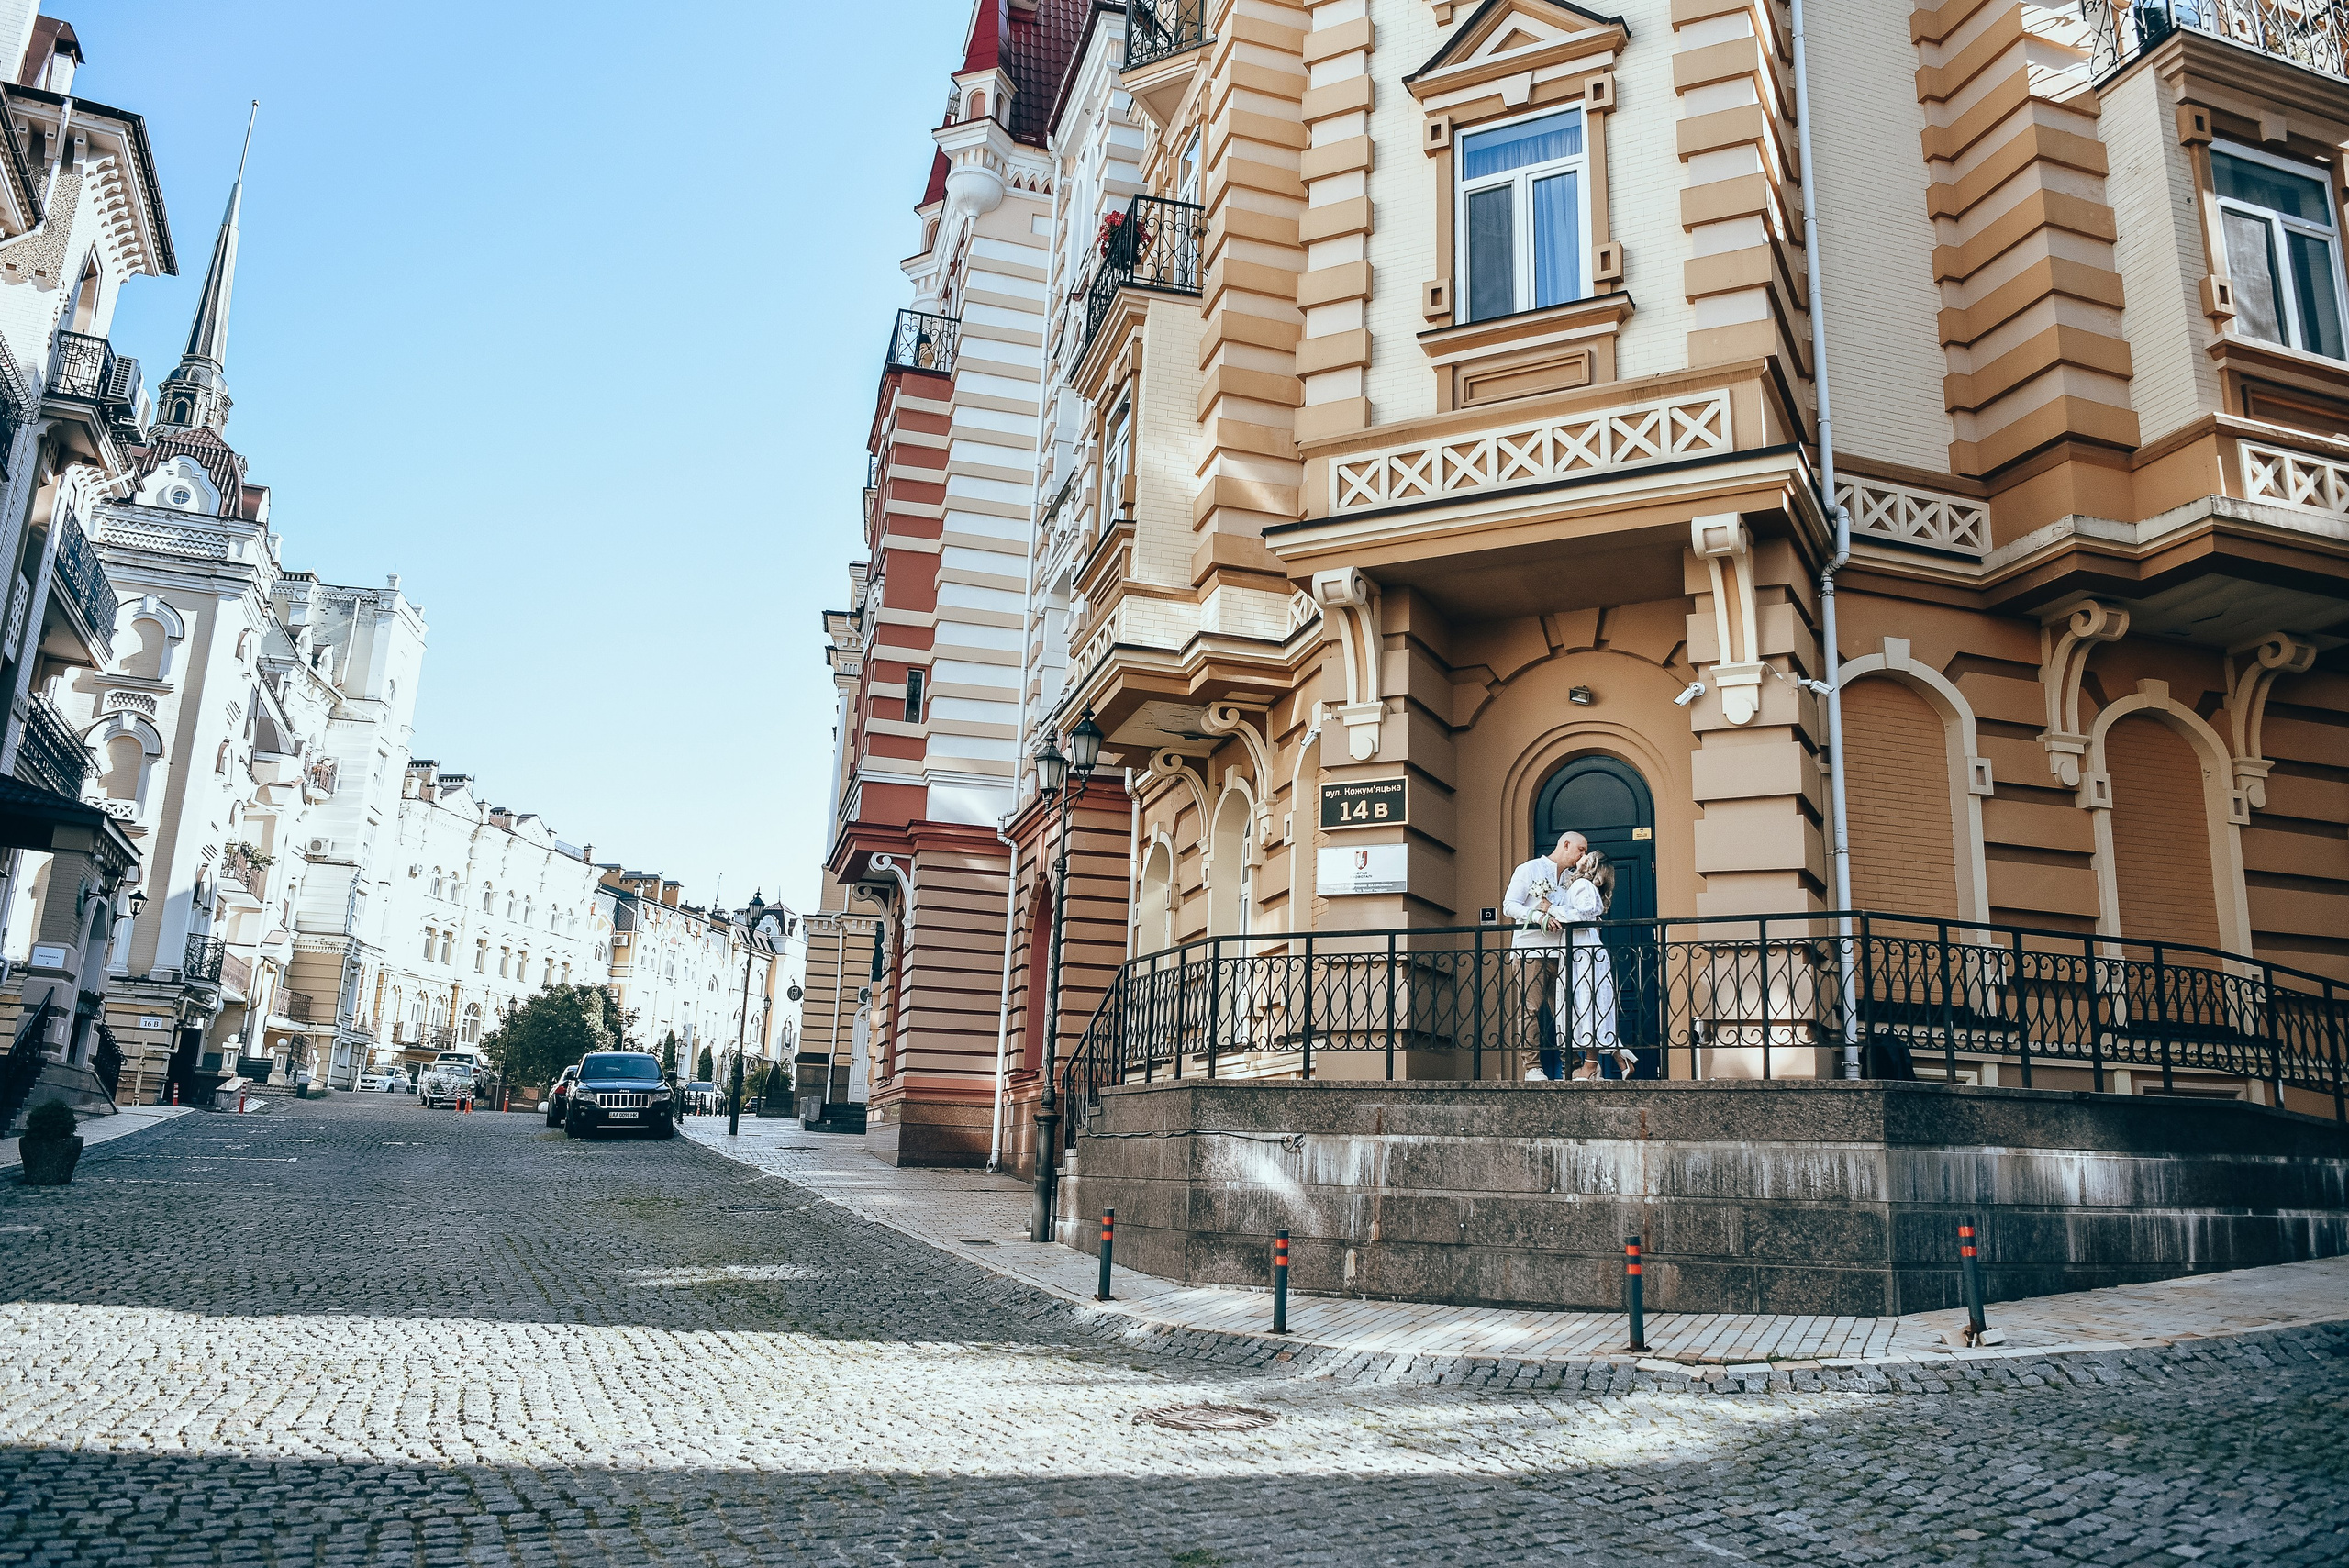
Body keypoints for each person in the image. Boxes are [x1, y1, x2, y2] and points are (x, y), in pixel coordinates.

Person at [1502, 831, 1588, 1080]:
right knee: (1530, 1009)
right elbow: (1509, 905)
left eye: (1585, 852)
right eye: (1580, 850)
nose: (1582, 855)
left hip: (1562, 953)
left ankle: (1570, 1066)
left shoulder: (1574, 879)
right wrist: (1539, 916)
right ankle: (1533, 1068)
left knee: (1565, 1010)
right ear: (1566, 845)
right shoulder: (1530, 869)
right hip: (1530, 951)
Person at [1557, 850, 1636, 1080]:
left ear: (1593, 865)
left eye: (1586, 854)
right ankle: (1621, 1060)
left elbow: (1581, 917)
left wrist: (1551, 911)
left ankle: (1591, 1065)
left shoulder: (1583, 886)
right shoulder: (1581, 886)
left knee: (1588, 1006)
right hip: (1580, 951)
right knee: (1588, 1007)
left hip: (1583, 953)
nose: (1581, 855)